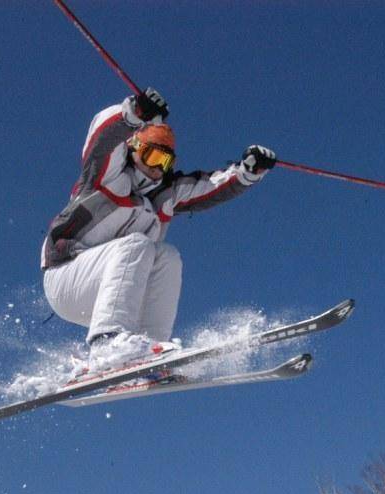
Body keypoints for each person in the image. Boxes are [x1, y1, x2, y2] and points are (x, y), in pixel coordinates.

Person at [41, 88, 276, 370]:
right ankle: (108, 344)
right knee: (137, 244)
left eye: (165, 163)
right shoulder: (107, 178)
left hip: (109, 297)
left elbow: (210, 187)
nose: (158, 169)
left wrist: (246, 173)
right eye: (153, 157)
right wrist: (132, 115)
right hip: (66, 277)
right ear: (135, 149)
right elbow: (101, 142)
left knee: (167, 256)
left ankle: (149, 352)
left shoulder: (164, 198)